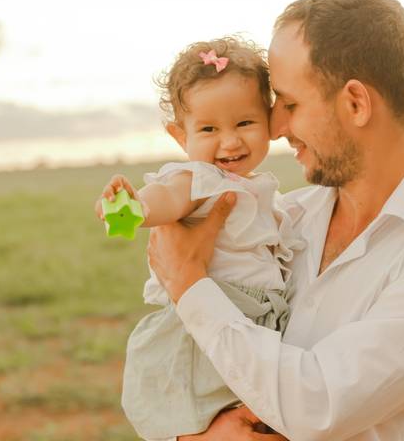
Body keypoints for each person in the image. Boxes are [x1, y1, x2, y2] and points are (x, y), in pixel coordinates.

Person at [147, 0, 404, 440]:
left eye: (290, 104)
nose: (275, 128)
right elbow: (181, 362)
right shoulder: (282, 217)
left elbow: (316, 407)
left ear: (356, 103)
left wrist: (189, 284)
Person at [95, 36, 304, 440]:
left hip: (250, 320)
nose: (229, 141)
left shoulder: (265, 192)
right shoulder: (199, 178)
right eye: (208, 129)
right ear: (180, 135)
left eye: (245, 123)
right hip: (209, 318)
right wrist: (134, 206)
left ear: (272, 121)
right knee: (206, 415)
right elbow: (169, 198)